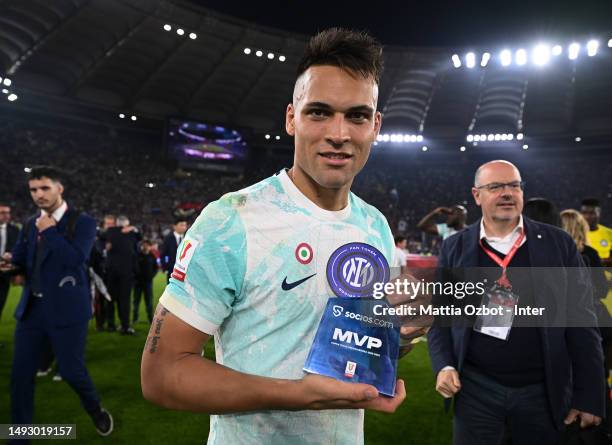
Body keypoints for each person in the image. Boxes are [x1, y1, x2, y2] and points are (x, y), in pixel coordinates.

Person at [141, 28, 411, 445]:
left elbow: (355, 344)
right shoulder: (231, 220)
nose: (339, 133)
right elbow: (162, 374)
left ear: (374, 126)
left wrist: (394, 340)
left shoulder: (375, 226)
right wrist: (298, 396)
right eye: (319, 112)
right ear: (292, 118)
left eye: (356, 115)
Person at [428, 160, 605, 445]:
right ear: (477, 195)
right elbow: (442, 316)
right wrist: (444, 365)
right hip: (475, 391)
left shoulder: (558, 244)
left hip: (542, 391)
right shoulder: (455, 246)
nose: (507, 193)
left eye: (514, 185)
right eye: (496, 186)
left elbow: (582, 321)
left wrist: (590, 395)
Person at [1, 166, 112, 440]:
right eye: (33, 190)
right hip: (32, 311)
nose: (38, 194)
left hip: (67, 311)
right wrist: (10, 263)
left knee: (73, 372)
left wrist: (50, 232)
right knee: (20, 378)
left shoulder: (83, 222)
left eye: (44, 188)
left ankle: (95, 409)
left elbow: (75, 260)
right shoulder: (30, 223)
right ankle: (20, 436)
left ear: (59, 188)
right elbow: (23, 257)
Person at [104, 215, 141, 335]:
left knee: (117, 300)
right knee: (117, 300)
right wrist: (127, 228)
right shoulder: (114, 232)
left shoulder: (128, 234)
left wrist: (133, 228)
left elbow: (139, 236)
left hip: (119, 273)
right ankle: (119, 325)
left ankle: (119, 325)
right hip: (118, 273)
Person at [0, 202, 20, 323]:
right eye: (2, 213)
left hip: (5, 274)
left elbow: (19, 251)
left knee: (0, 304)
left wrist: (17, 272)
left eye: (8, 212)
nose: (6, 215)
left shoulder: (15, 230)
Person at [581, 198, 612, 265]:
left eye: (591, 213)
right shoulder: (576, 233)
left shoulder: (609, 233)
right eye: (584, 213)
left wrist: (596, 261)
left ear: (599, 213)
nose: (587, 217)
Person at [133, 240, 157, 324]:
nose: (145, 247)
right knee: (136, 302)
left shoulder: (152, 256)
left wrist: (151, 276)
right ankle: (135, 319)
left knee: (149, 302)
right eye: (144, 245)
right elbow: (133, 268)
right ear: (141, 246)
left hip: (148, 283)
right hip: (137, 283)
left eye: (147, 245)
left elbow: (156, 268)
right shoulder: (137, 255)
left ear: (150, 247)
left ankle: (150, 319)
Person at [160, 217, 188, 283]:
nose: (184, 227)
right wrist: (165, 268)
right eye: (181, 225)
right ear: (174, 226)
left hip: (186, 273)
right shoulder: (168, 239)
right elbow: (163, 254)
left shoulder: (188, 238)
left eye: (185, 225)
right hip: (172, 271)